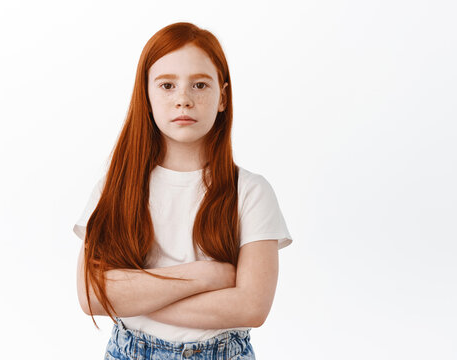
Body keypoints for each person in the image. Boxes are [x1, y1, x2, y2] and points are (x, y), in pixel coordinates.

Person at [72, 22, 293, 360]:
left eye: (200, 85)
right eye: (167, 85)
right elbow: (92, 296)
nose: (183, 100)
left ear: (223, 97)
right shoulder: (116, 187)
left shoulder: (250, 192)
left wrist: (136, 297)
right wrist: (206, 276)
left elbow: (251, 307)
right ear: (146, 96)